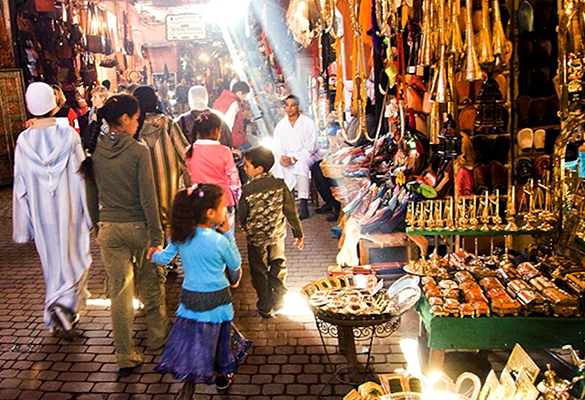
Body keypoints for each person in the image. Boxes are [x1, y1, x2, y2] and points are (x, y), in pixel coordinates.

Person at [81, 94, 170, 377]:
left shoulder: (94, 149)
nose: (138, 122)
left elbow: (90, 193)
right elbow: (149, 199)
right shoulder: (137, 151)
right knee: (151, 282)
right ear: (124, 119)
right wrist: (157, 236)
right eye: (136, 117)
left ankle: (124, 353)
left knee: (119, 292)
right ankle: (158, 338)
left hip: (109, 229)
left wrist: (97, 224)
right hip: (139, 228)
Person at [151, 184, 251, 395]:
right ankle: (221, 376)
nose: (226, 211)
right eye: (223, 206)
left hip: (191, 299)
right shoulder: (218, 241)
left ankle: (190, 384)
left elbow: (165, 258)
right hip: (218, 300)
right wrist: (229, 236)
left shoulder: (180, 236)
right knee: (219, 338)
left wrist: (153, 254)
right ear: (210, 213)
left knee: (196, 339)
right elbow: (234, 263)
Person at [13, 82, 92, 339]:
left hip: (41, 213)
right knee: (76, 256)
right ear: (52, 103)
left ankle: (57, 308)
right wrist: (90, 214)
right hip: (69, 210)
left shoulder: (23, 141)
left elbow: (20, 185)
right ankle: (64, 306)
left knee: (52, 262)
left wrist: (23, 224)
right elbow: (82, 175)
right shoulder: (68, 135)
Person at [238, 146, 304, 318]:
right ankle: (280, 299)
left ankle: (265, 305)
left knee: (259, 269)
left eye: (247, 166)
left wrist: (244, 226)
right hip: (277, 236)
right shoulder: (280, 185)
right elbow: (290, 211)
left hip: (256, 239)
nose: (244, 169)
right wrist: (298, 233)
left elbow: (242, 214)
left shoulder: (247, 190)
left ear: (259, 169)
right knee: (278, 264)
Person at [134, 85, 191, 245]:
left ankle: (152, 258)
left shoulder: (133, 127)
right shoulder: (168, 124)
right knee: (168, 220)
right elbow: (184, 153)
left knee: (147, 219)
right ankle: (168, 261)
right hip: (168, 182)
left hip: (142, 183)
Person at [185, 113, 241, 233]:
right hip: (223, 201)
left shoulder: (189, 151)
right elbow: (234, 181)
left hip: (199, 202)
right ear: (216, 130)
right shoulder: (224, 151)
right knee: (224, 242)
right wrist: (238, 201)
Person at [272, 95, 321, 220]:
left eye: (292, 105)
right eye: (287, 105)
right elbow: (278, 145)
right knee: (276, 166)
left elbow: (311, 147)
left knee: (301, 166)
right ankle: (284, 201)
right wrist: (283, 157)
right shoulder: (281, 125)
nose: (289, 108)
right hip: (288, 156)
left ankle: (303, 204)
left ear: (298, 106)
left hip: (308, 155)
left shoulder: (307, 123)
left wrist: (293, 158)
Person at [213, 81, 251, 151]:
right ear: (239, 93)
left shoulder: (219, 100)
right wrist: (230, 146)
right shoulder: (234, 103)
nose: (243, 99)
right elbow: (228, 125)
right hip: (233, 139)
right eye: (244, 96)